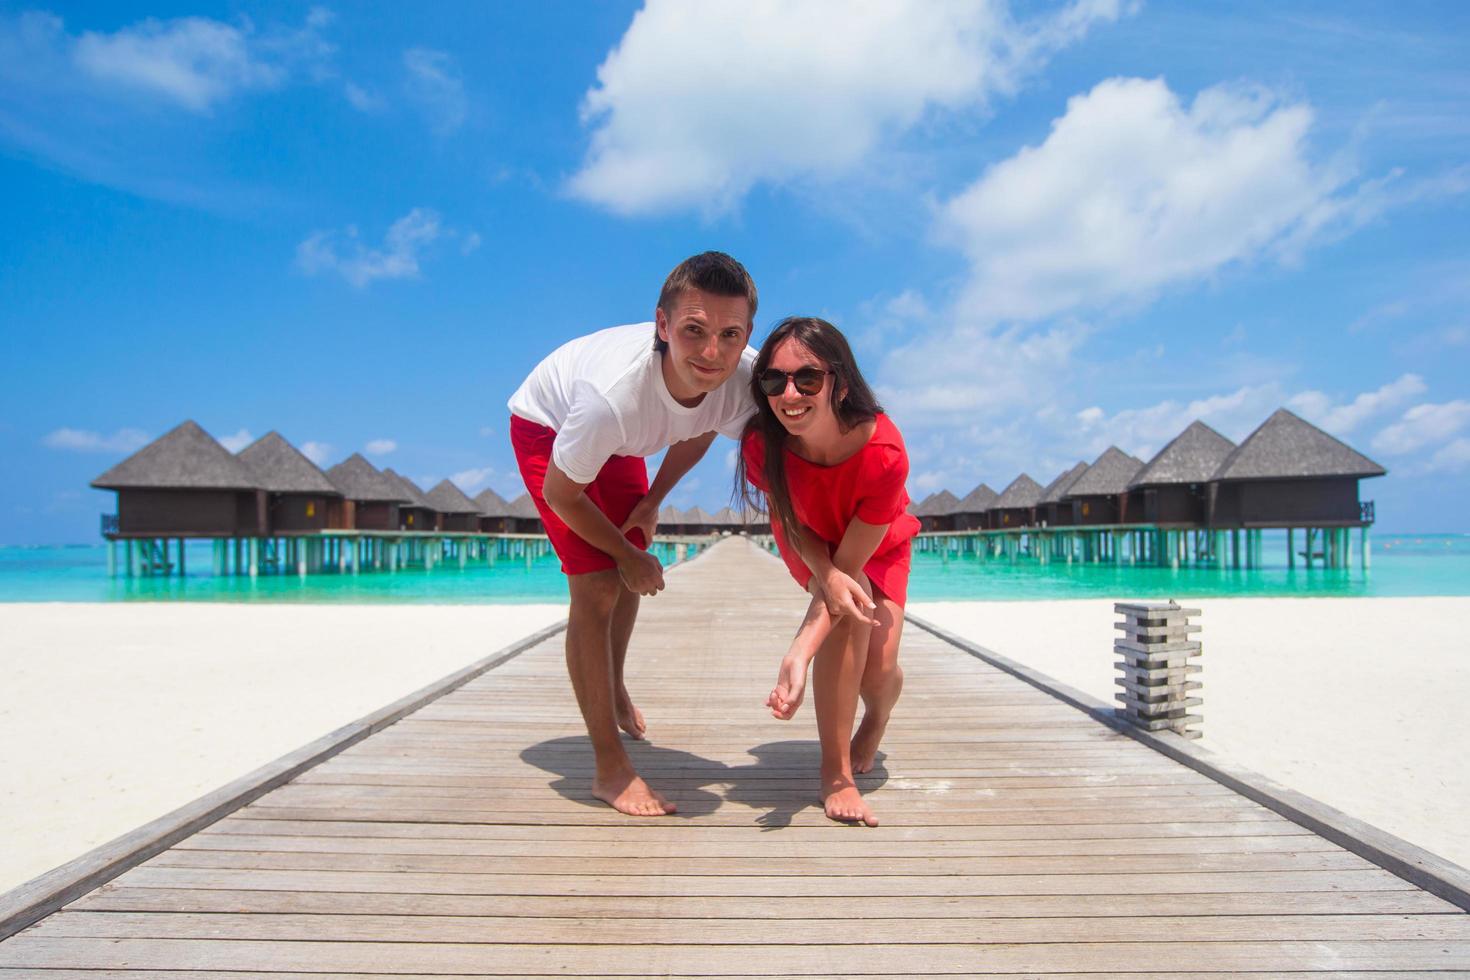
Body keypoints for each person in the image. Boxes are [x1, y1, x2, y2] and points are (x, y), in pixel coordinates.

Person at [508, 252, 758, 817]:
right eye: (694, 331)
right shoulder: (611, 399)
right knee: (598, 583)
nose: (712, 352)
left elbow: (704, 426)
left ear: (747, 334)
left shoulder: (740, 374)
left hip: (621, 441)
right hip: (550, 427)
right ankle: (609, 768)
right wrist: (622, 553)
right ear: (663, 326)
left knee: (632, 554)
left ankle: (613, 684)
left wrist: (650, 504)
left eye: (730, 334)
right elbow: (561, 495)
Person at [737, 316, 919, 827]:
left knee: (879, 669)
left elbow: (853, 565)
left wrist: (799, 652)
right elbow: (795, 526)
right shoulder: (762, 445)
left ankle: (877, 716)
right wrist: (821, 570)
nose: (788, 394)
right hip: (809, 539)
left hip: (876, 544)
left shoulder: (883, 452)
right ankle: (836, 773)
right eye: (774, 380)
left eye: (807, 378)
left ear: (838, 381)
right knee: (849, 605)